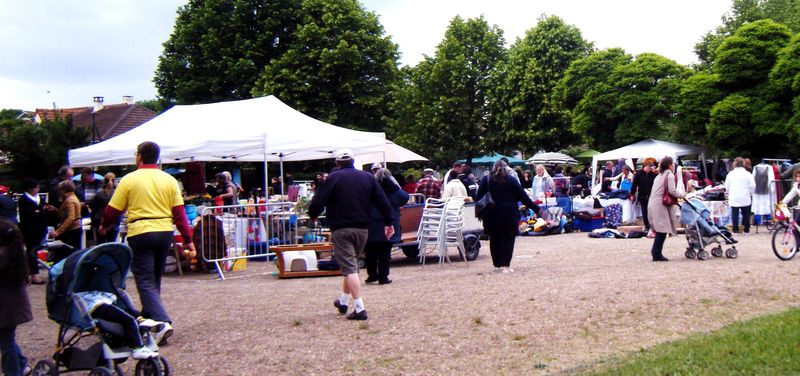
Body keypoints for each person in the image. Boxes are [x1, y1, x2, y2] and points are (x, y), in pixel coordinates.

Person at [99, 141, 196, 345]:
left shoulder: (129, 180)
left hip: (141, 231)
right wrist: (188, 240)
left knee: (144, 279)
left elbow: (112, 210)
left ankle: (162, 321)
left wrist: (104, 225)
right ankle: (148, 320)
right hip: (163, 231)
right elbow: (179, 214)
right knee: (154, 279)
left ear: (139, 156)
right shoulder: (169, 180)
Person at [308, 149, 394, 321]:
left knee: (349, 268)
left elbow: (319, 200)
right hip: (362, 228)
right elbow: (382, 200)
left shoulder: (333, 178)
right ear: (353, 161)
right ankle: (343, 301)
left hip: (341, 228)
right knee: (351, 265)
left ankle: (360, 308)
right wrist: (389, 222)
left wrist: (313, 214)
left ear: (337, 163)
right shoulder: (368, 177)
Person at [476, 160, 540, 273]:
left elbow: (479, 198)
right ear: (506, 169)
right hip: (509, 214)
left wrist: (479, 213)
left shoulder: (486, 179)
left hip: (491, 214)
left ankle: (496, 264)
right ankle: (505, 265)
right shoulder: (511, 180)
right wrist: (537, 209)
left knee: (494, 239)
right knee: (508, 239)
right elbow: (524, 197)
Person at [74, 289, 160, 359]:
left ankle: (142, 321)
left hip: (99, 301)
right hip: (96, 305)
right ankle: (137, 348)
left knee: (130, 314)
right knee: (129, 320)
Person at [364, 168, 409, 285]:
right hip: (388, 221)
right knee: (385, 250)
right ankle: (383, 277)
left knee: (370, 249)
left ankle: (372, 275)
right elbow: (405, 197)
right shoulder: (393, 188)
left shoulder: (370, 187)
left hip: (371, 222)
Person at [0, 220, 32, 376]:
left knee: (6, 342)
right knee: (6, 339)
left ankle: (13, 372)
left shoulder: (3, 257)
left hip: (7, 308)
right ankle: (22, 364)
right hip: (12, 307)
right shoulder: (15, 253)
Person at [647, 157, 685, 262]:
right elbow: (672, 190)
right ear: (669, 165)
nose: (673, 165)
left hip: (653, 202)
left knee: (660, 228)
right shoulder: (669, 175)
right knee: (662, 229)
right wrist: (682, 195)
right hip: (660, 204)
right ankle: (656, 253)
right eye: (672, 164)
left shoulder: (659, 175)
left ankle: (656, 252)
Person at [18, 179, 48, 284]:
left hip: (40, 228)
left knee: (35, 251)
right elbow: (29, 215)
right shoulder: (23, 200)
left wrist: (41, 210)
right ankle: (34, 274)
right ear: (30, 189)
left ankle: (30, 273)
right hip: (29, 230)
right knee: (31, 251)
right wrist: (40, 210)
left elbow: (44, 208)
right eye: (36, 188)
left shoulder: (39, 198)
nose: (38, 189)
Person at [725, 157, 756, 234]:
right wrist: (750, 193)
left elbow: (727, 186)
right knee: (746, 214)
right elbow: (752, 186)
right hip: (745, 196)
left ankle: (735, 229)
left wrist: (729, 192)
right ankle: (746, 229)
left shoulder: (730, 174)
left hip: (734, 196)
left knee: (735, 214)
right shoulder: (748, 174)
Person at [49, 180, 82, 250]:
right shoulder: (73, 197)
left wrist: (57, 232)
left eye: (59, 190)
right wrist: (56, 210)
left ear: (64, 189)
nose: (58, 192)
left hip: (71, 231)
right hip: (75, 229)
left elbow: (71, 218)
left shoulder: (70, 201)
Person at [90, 173, 118, 244]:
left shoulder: (98, 194)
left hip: (99, 222)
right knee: (112, 244)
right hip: (113, 222)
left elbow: (93, 209)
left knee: (100, 244)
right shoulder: (117, 194)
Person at [630, 160, 657, 232]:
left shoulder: (653, 174)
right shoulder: (638, 174)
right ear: (644, 167)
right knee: (644, 212)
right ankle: (647, 226)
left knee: (652, 212)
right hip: (642, 195)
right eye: (648, 168)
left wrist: (656, 172)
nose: (649, 170)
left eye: (650, 168)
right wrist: (632, 194)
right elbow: (634, 185)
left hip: (652, 196)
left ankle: (654, 225)